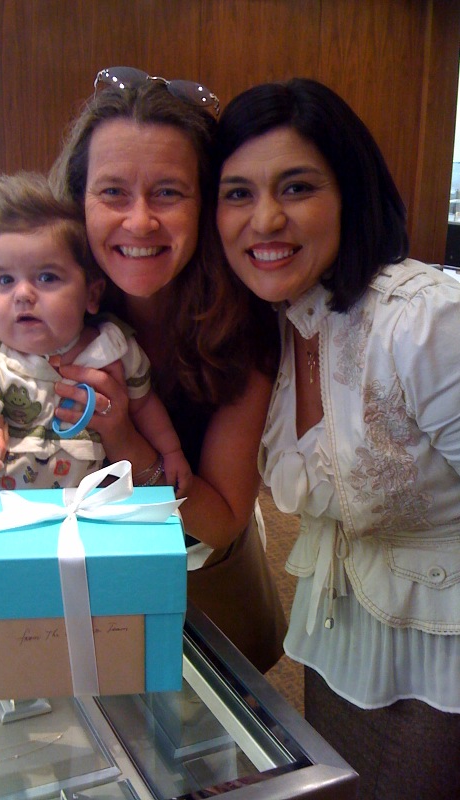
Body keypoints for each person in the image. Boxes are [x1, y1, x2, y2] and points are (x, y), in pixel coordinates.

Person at [0, 69, 287, 673]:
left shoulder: (243, 327)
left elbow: (223, 521)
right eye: (113, 193)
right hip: (62, 592)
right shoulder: (29, 307)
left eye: (169, 193)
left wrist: (126, 438)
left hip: (202, 601)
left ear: (204, 205)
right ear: (79, 201)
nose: (140, 221)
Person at [215, 76, 460, 799]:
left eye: (297, 187)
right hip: (339, 636)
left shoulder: (424, 320)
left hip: (445, 656)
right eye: (237, 193)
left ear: (350, 193)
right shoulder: (278, 325)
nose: (265, 219)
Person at [0, 170, 191, 492]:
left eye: (47, 278)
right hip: (1, 506)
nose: (22, 294)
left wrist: (171, 452)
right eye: (4, 280)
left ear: (91, 295)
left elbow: (143, 405)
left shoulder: (111, 347)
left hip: (84, 505)